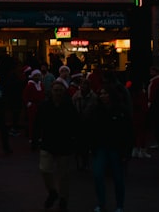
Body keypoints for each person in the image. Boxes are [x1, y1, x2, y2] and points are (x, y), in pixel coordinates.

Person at [33, 79, 80, 211]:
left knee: (64, 175)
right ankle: (52, 191)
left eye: (60, 90)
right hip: (48, 143)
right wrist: (35, 139)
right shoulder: (45, 106)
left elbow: (76, 124)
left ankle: (64, 198)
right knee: (44, 169)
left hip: (64, 145)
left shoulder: (68, 106)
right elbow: (38, 123)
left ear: (63, 92)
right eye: (55, 90)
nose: (58, 93)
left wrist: (75, 141)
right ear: (51, 91)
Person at [87, 82, 134, 212]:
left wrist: (126, 150)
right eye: (101, 94)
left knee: (118, 178)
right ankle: (102, 203)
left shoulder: (121, 110)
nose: (103, 96)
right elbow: (90, 129)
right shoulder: (96, 110)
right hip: (101, 146)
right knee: (98, 175)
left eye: (105, 93)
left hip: (116, 147)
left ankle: (119, 205)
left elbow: (128, 131)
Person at [23, 68, 46, 149]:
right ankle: (32, 138)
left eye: (38, 76)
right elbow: (25, 96)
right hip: (33, 107)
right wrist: (29, 104)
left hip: (40, 106)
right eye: (36, 76)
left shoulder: (41, 85)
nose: (37, 77)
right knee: (32, 122)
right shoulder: (30, 85)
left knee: (40, 122)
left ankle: (39, 138)